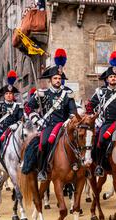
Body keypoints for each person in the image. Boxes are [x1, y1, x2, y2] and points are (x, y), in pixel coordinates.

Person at [24, 48, 78, 181]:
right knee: (43, 143)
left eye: (59, 78)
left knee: (79, 141)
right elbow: (28, 108)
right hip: (48, 126)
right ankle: (42, 170)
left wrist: (68, 121)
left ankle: (78, 168)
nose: (58, 80)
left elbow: (73, 111)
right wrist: (37, 120)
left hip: (63, 126)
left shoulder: (67, 94)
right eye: (55, 78)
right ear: (50, 80)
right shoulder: (42, 94)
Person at [88, 51, 116, 177]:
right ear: (107, 79)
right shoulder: (100, 92)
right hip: (106, 123)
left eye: (115, 77)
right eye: (111, 77)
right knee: (100, 141)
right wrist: (94, 118)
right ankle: (100, 165)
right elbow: (90, 105)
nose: (113, 78)